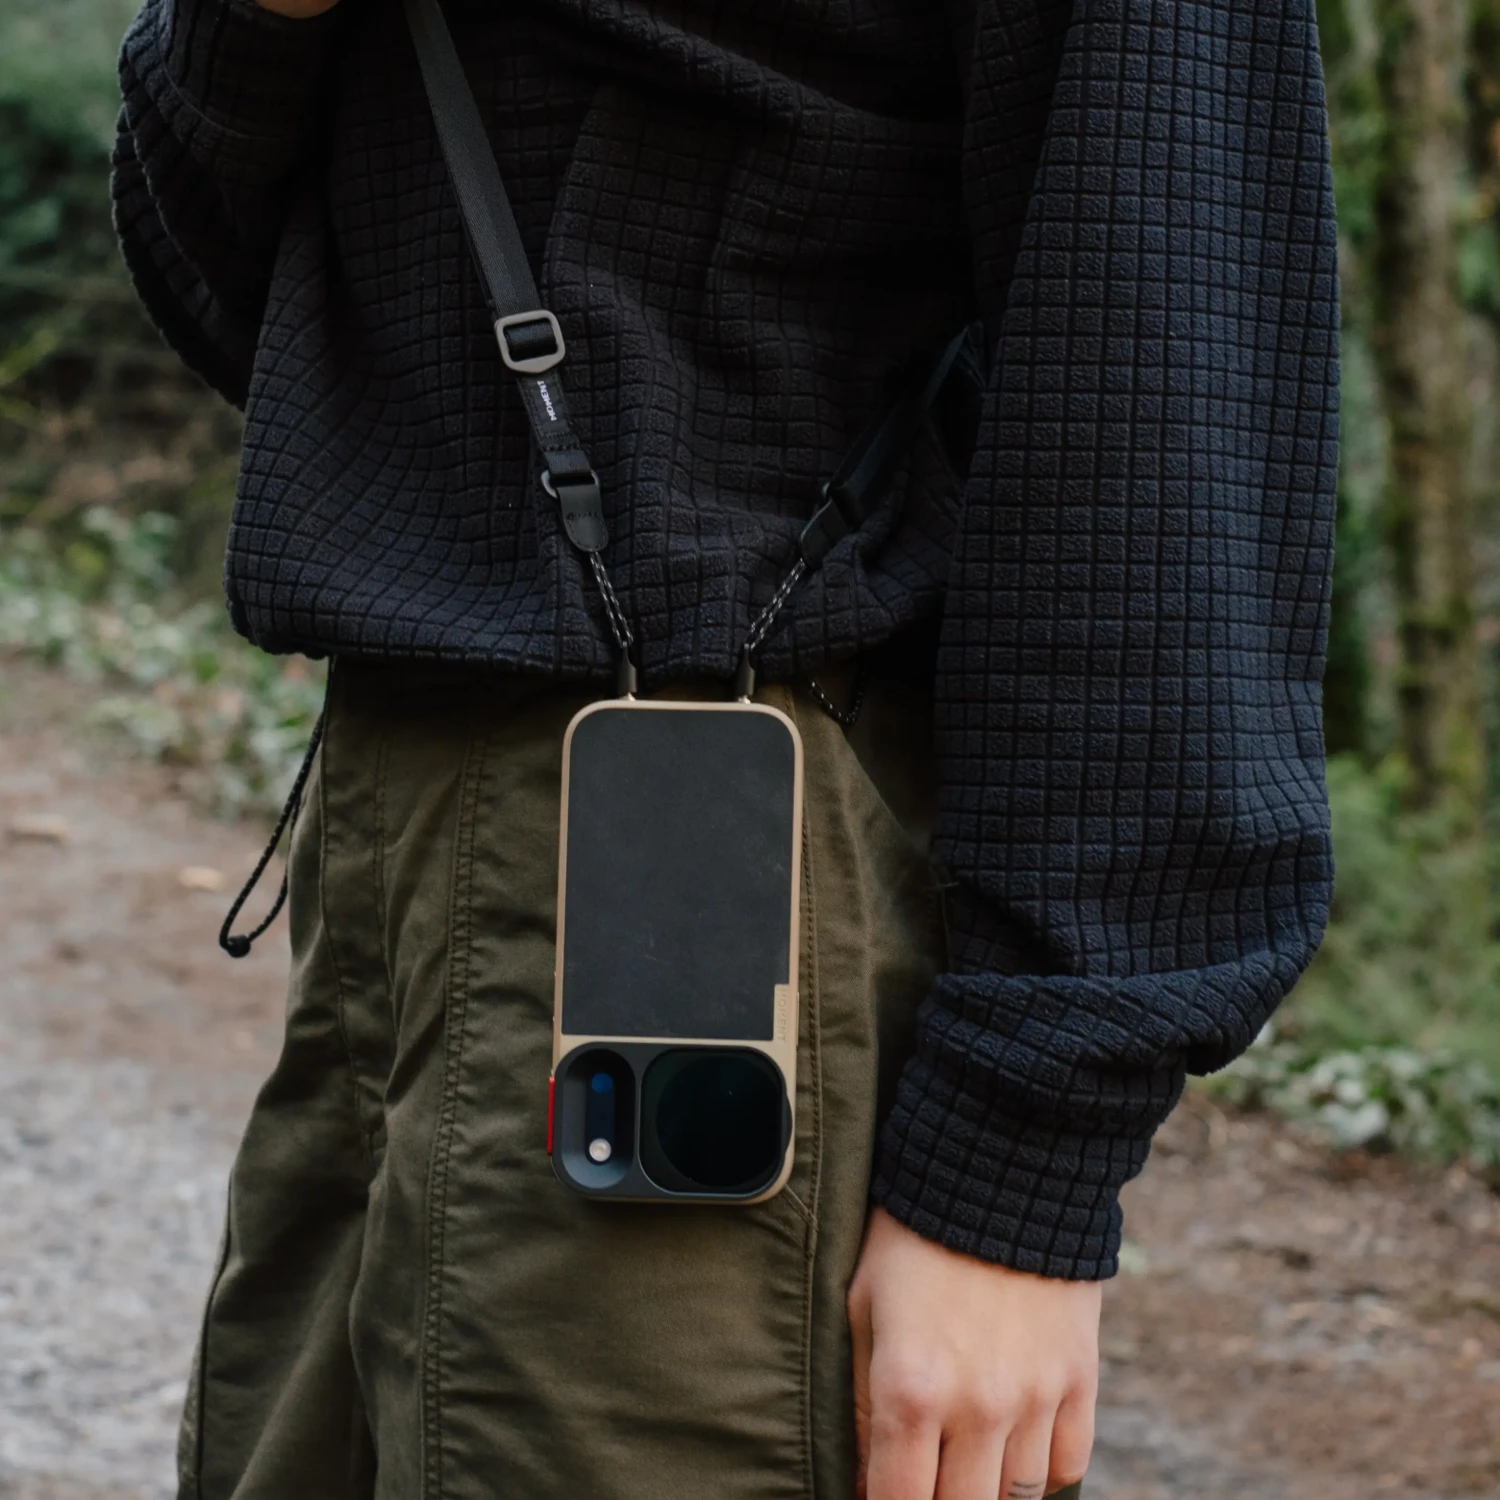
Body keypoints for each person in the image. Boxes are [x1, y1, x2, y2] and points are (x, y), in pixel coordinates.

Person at [112, 0, 1339, 1494]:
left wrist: (1021, 1161)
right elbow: (259, 316)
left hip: (750, 840)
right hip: (390, 827)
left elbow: (1167, 345)